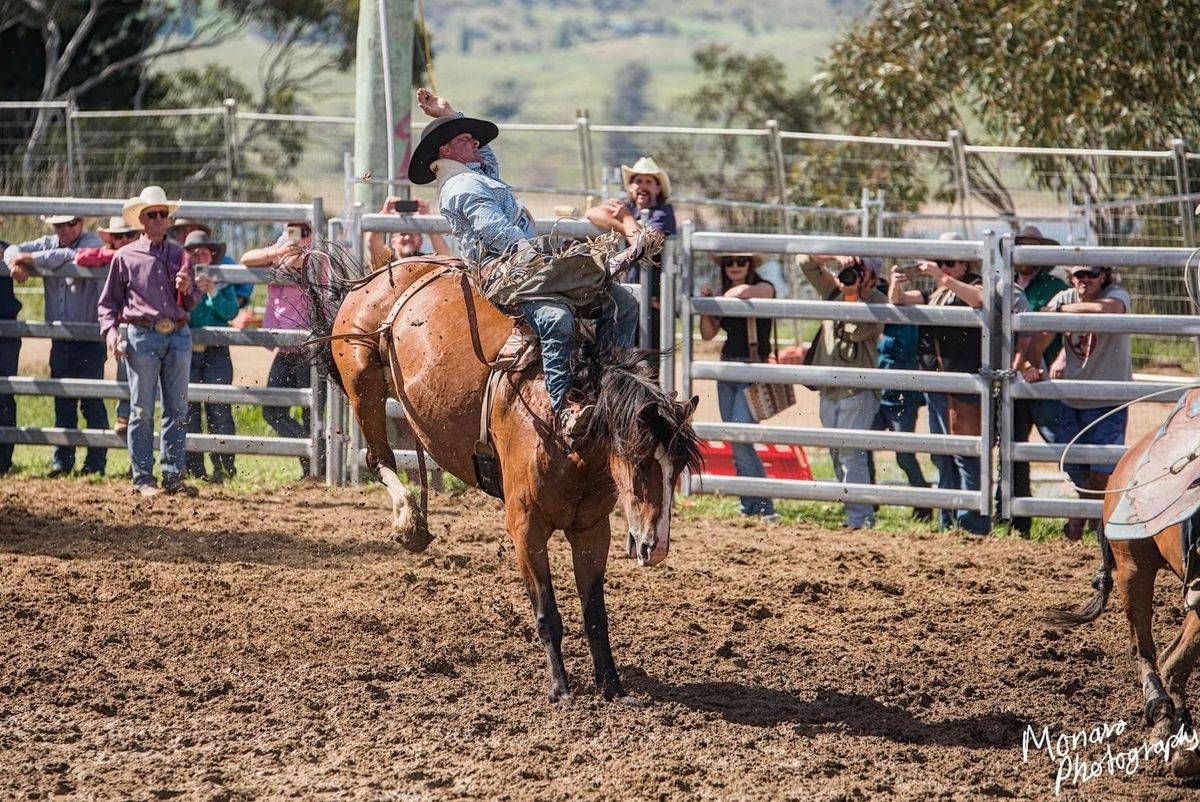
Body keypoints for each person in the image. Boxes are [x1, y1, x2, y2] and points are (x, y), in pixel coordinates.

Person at [409, 87, 641, 446]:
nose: (475, 142)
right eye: (465, 137)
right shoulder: (461, 186)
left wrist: (450, 114)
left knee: (624, 303)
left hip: (524, 264)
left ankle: (609, 385)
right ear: (446, 150)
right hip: (503, 272)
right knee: (556, 319)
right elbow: (495, 231)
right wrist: (547, 262)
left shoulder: (472, 175)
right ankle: (562, 408)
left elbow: (487, 158)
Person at [97, 185, 200, 497]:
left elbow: (192, 302)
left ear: (168, 219)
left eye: (162, 214)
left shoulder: (181, 256)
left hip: (178, 332)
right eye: (152, 214)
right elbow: (108, 304)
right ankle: (143, 478)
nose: (158, 219)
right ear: (141, 219)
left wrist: (189, 288)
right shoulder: (125, 257)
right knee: (142, 409)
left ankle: (172, 475)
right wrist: (112, 333)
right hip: (142, 334)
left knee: (177, 408)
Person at [889, 232, 989, 535]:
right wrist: (896, 281)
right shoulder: (935, 293)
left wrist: (938, 276)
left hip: (963, 382)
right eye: (939, 261)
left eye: (949, 261)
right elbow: (898, 302)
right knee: (941, 452)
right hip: (938, 382)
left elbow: (980, 299)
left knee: (966, 453)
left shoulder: (971, 285)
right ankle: (949, 518)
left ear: (965, 264)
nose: (943, 266)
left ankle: (972, 522)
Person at [1027, 264, 1132, 541]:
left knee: (1101, 471)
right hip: (1071, 398)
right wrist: (1033, 364)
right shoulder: (1065, 298)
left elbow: (1105, 310)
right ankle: (1097, 526)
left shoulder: (1117, 294)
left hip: (1108, 400)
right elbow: (1039, 337)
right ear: (1071, 277)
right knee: (1074, 468)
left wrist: (1059, 314)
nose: (1085, 279)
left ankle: (1076, 525)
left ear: (1104, 276)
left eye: (1092, 273)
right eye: (1079, 274)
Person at [4, 212, 107, 477]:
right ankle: (62, 461)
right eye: (59, 225)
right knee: (62, 401)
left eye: (69, 223)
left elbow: (69, 257)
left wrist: (27, 259)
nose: (64, 229)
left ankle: (95, 462)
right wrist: (14, 260)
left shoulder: (91, 242)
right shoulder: (48, 242)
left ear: (80, 223)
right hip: (60, 338)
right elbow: (12, 249)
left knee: (91, 402)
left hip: (89, 338)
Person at [799, 254, 886, 530]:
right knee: (837, 452)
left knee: (851, 453)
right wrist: (835, 257)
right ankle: (855, 512)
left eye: (857, 270)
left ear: (871, 276)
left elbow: (856, 330)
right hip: (829, 387)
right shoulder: (832, 290)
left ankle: (860, 518)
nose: (849, 274)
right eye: (848, 269)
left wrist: (851, 296)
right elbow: (804, 262)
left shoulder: (877, 301)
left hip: (857, 389)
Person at [698, 253, 778, 521]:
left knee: (741, 438)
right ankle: (751, 505)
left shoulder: (764, 287)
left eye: (740, 262)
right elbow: (707, 333)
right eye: (729, 262)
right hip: (727, 370)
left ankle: (764, 505)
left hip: (752, 369)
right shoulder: (724, 295)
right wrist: (709, 306)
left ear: (750, 265)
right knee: (736, 439)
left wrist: (716, 302)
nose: (734, 266)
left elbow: (745, 291)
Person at [240, 220, 324, 476]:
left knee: (312, 412)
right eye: (291, 230)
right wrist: (278, 251)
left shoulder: (316, 256)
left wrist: (293, 251)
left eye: (304, 231)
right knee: (272, 410)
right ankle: (314, 454)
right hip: (284, 348)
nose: (297, 236)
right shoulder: (280, 251)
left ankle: (315, 468)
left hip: (310, 348)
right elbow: (247, 258)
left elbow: (297, 263)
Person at [1006, 225, 1069, 536]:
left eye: (1031, 247)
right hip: (1013, 380)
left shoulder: (1055, 286)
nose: (1025, 253)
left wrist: (1040, 362)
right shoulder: (1003, 283)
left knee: (1062, 444)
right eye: (1021, 247)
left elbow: (1053, 328)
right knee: (1012, 450)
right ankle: (1017, 521)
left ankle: (1083, 514)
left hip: (1044, 381)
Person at [865, 257, 932, 522]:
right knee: (863, 446)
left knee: (904, 453)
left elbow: (899, 350)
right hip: (878, 390)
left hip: (901, 393)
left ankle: (922, 498)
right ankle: (867, 499)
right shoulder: (880, 309)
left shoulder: (909, 316)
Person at [585, 156, 677, 349]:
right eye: (638, 181)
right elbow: (593, 213)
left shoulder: (663, 212)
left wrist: (626, 220)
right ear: (630, 187)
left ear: (658, 188)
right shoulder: (628, 208)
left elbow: (642, 245)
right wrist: (626, 226)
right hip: (622, 300)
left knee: (645, 366)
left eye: (649, 181)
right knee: (615, 358)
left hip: (651, 305)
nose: (642, 186)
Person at [77, 206, 143, 439]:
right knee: (125, 368)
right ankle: (124, 413)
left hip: (142, 323)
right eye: (118, 236)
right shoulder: (111, 256)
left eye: (129, 235)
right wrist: (115, 255)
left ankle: (126, 414)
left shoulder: (146, 254)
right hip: (121, 324)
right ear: (111, 240)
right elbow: (82, 256)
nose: (124, 240)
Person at [181, 230, 239, 483]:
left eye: (204, 252)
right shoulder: (181, 280)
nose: (200, 256)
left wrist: (213, 291)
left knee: (219, 410)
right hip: (187, 351)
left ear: (212, 255)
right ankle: (195, 468)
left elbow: (231, 311)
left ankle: (224, 467)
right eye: (194, 253)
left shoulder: (223, 280)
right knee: (189, 411)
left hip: (216, 351)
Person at [170, 218, 253, 309]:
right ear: (176, 234)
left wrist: (231, 302)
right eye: (181, 230)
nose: (187, 233)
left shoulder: (221, 261)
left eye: (191, 229)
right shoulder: (171, 262)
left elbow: (247, 278)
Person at [366, 196, 450, 271]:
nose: (407, 238)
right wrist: (385, 212)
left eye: (412, 234)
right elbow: (372, 243)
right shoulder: (385, 263)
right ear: (393, 242)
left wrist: (427, 221)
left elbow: (446, 258)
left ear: (420, 240)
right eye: (402, 234)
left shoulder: (429, 263)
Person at [0, 238, 20, 475]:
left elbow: (18, 255)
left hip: (5, 334)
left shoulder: (7, 249)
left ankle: (3, 460)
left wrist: (16, 260)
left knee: (4, 394)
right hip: (6, 333)